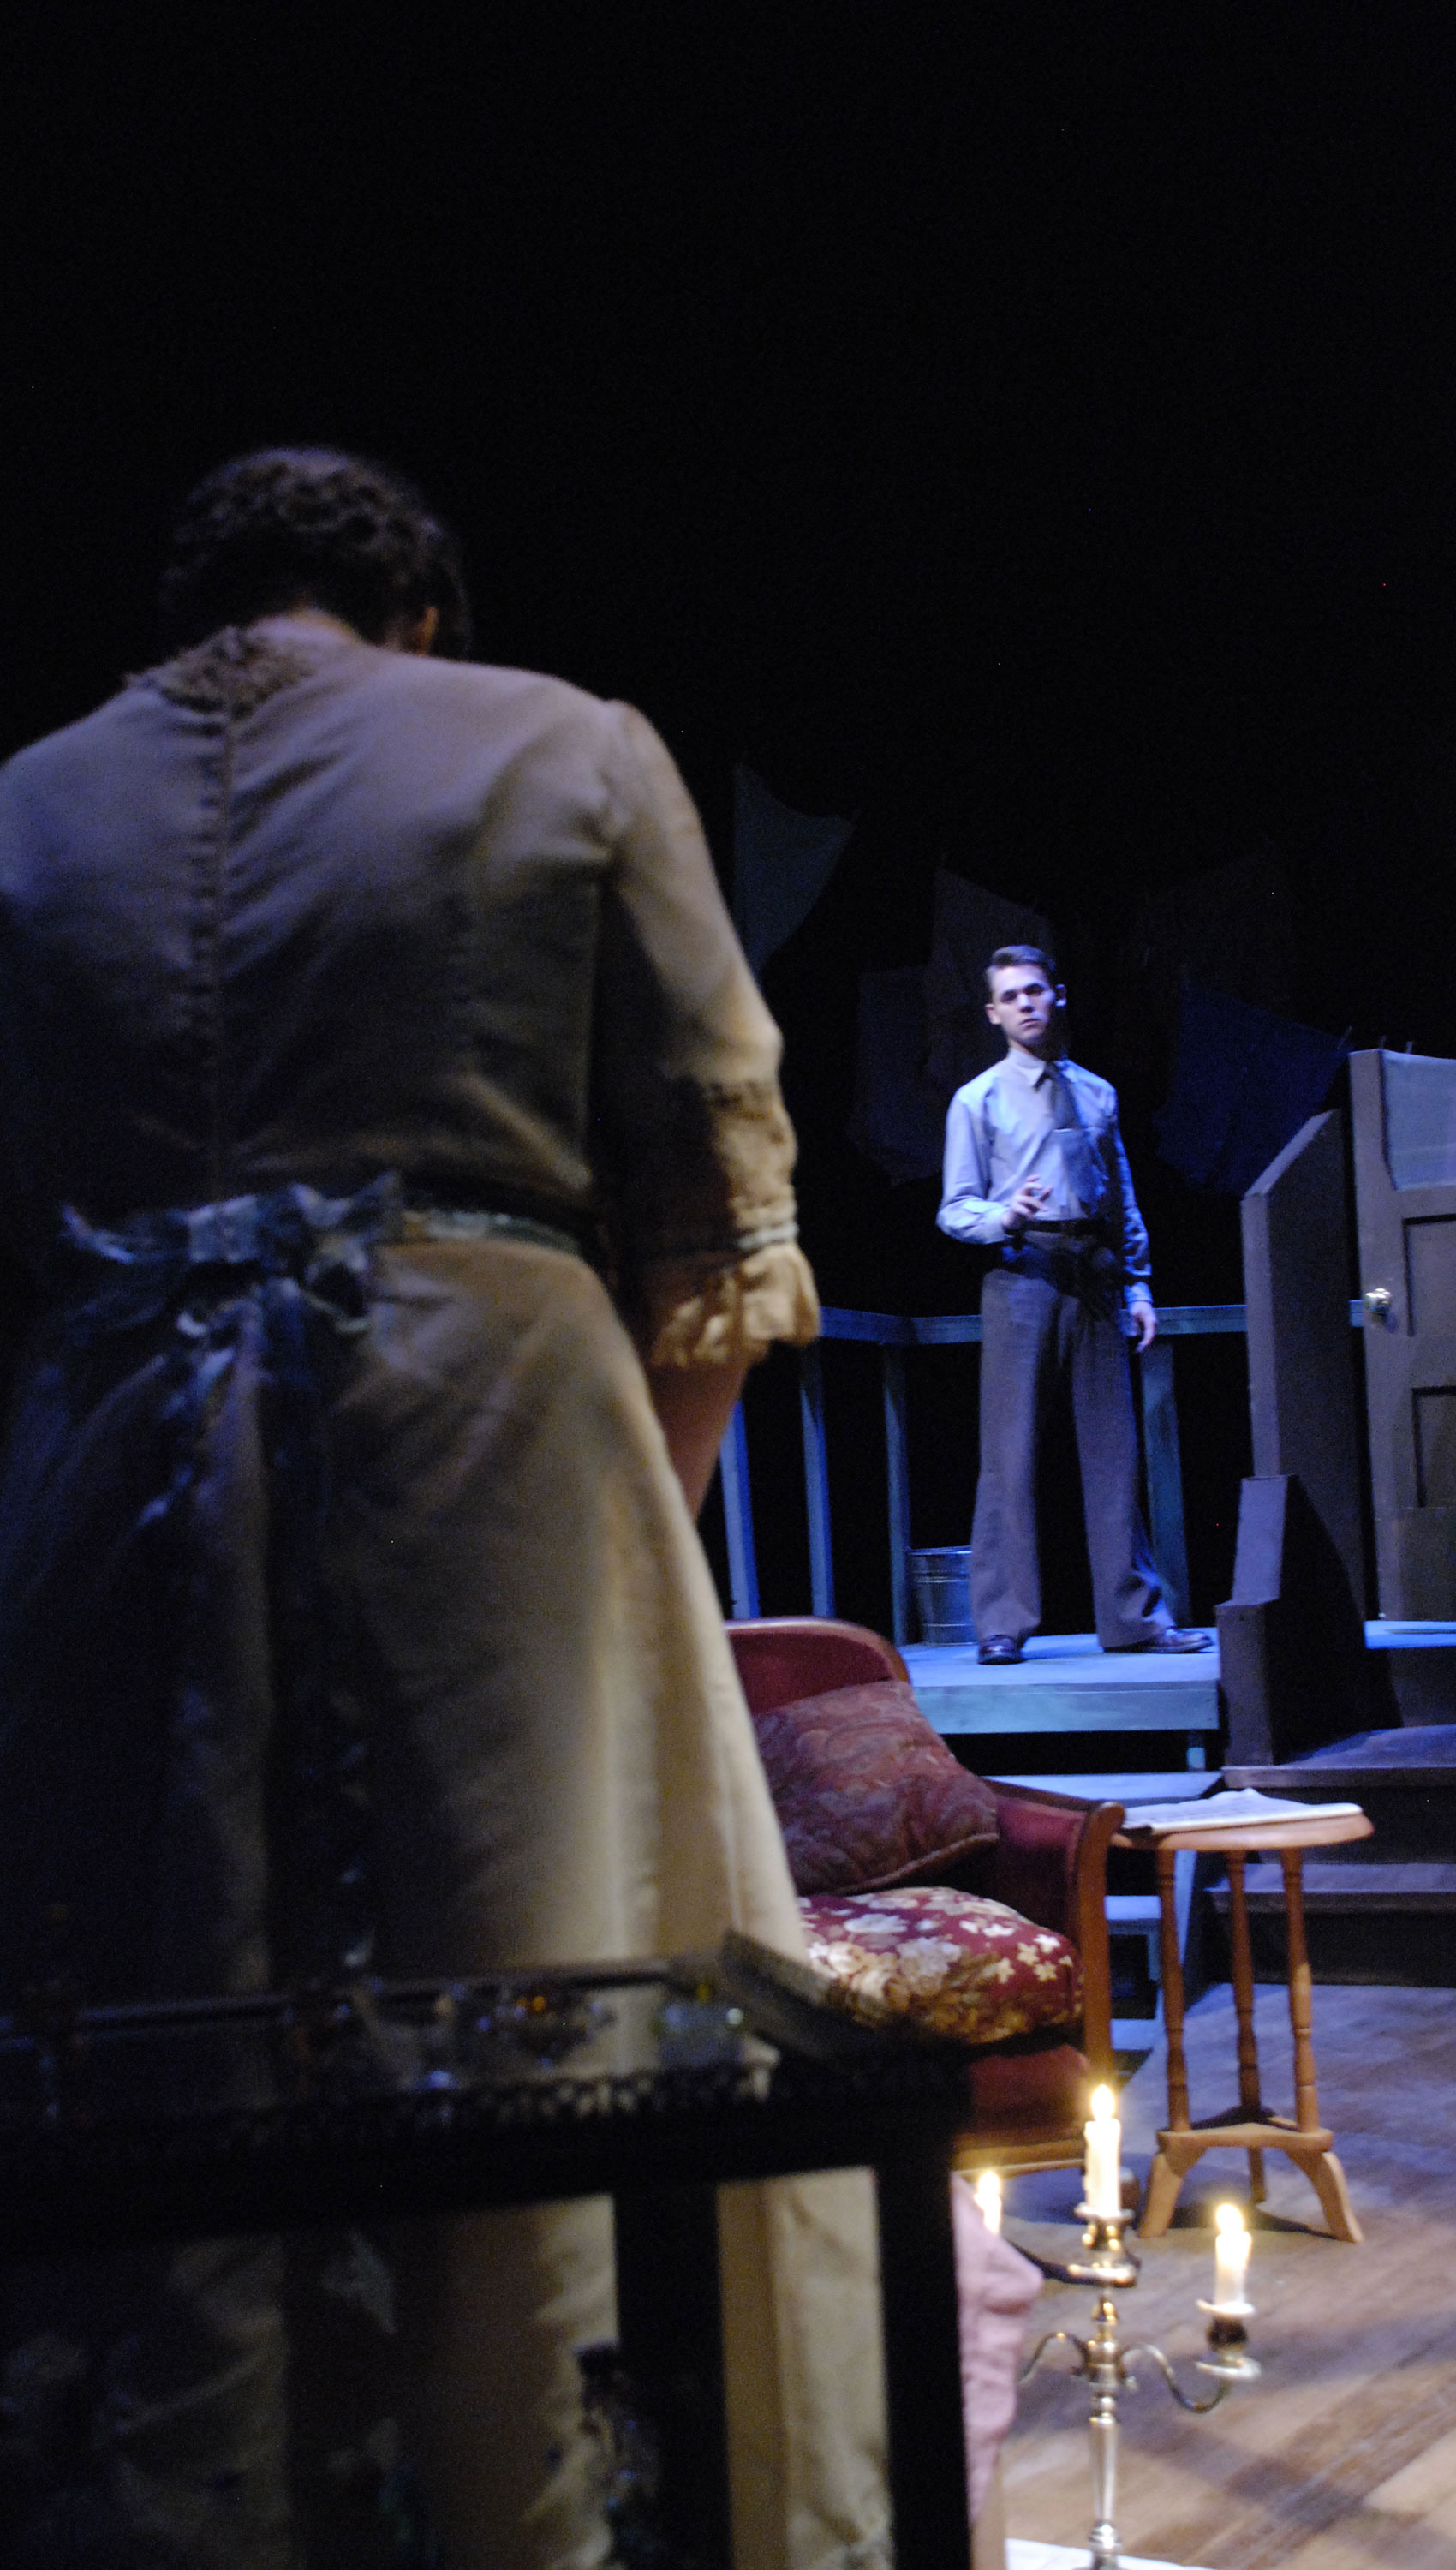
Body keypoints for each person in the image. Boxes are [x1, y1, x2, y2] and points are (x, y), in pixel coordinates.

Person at [0, 451, 890, 2567]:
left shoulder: (29, 797)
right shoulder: (561, 745)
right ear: (419, 619)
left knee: (141, 2009)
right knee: (546, 1979)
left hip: (105, 1452)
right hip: (483, 1436)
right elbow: (712, 1182)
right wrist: (634, 1559)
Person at [937, 945, 1211, 1665]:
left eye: (1036, 991)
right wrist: (1006, 1216)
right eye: (1011, 997)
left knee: (1114, 1453)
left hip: (1092, 1270)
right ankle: (1002, 1622)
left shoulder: (1096, 1094)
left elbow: (1121, 1199)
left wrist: (1139, 1285)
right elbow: (955, 1208)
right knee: (1010, 1453)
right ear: (993, 1013)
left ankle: (1134, 1618)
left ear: (1057, 996)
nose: (1027, 1004)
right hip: (1023, 1270)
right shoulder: (978, 1099)